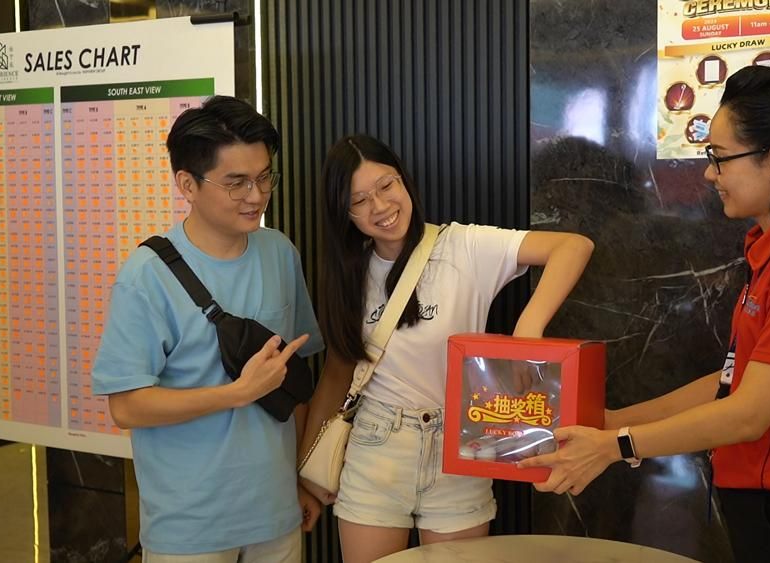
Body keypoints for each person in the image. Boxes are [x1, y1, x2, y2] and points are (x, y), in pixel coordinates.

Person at [519, 65, 770, 563]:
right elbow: (732, 382)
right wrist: (613, 422)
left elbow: (748, 413)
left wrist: (616, 446)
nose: (710, 175)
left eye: (719, 158)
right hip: (760, 513)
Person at [300, 134, 594, 563]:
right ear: (344, 213)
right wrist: (307, 473)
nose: (379, 206)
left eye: (386, 185)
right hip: (377, 446)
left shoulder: (463, 245)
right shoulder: (349, 271)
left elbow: (573, 246)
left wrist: (528, 329)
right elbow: (336, 374)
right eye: (359, 200)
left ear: (404, 180)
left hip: (460, 444)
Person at [92, 95, 324, 562]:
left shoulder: (280, 252)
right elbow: (126, 405)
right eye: (236, 183)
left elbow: (295, 382)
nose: (256, 195)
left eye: (264, 177)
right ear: (188, 184)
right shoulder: (147, 276)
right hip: (189, 526)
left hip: (276, 514)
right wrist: (236, 393)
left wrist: (299, 476)